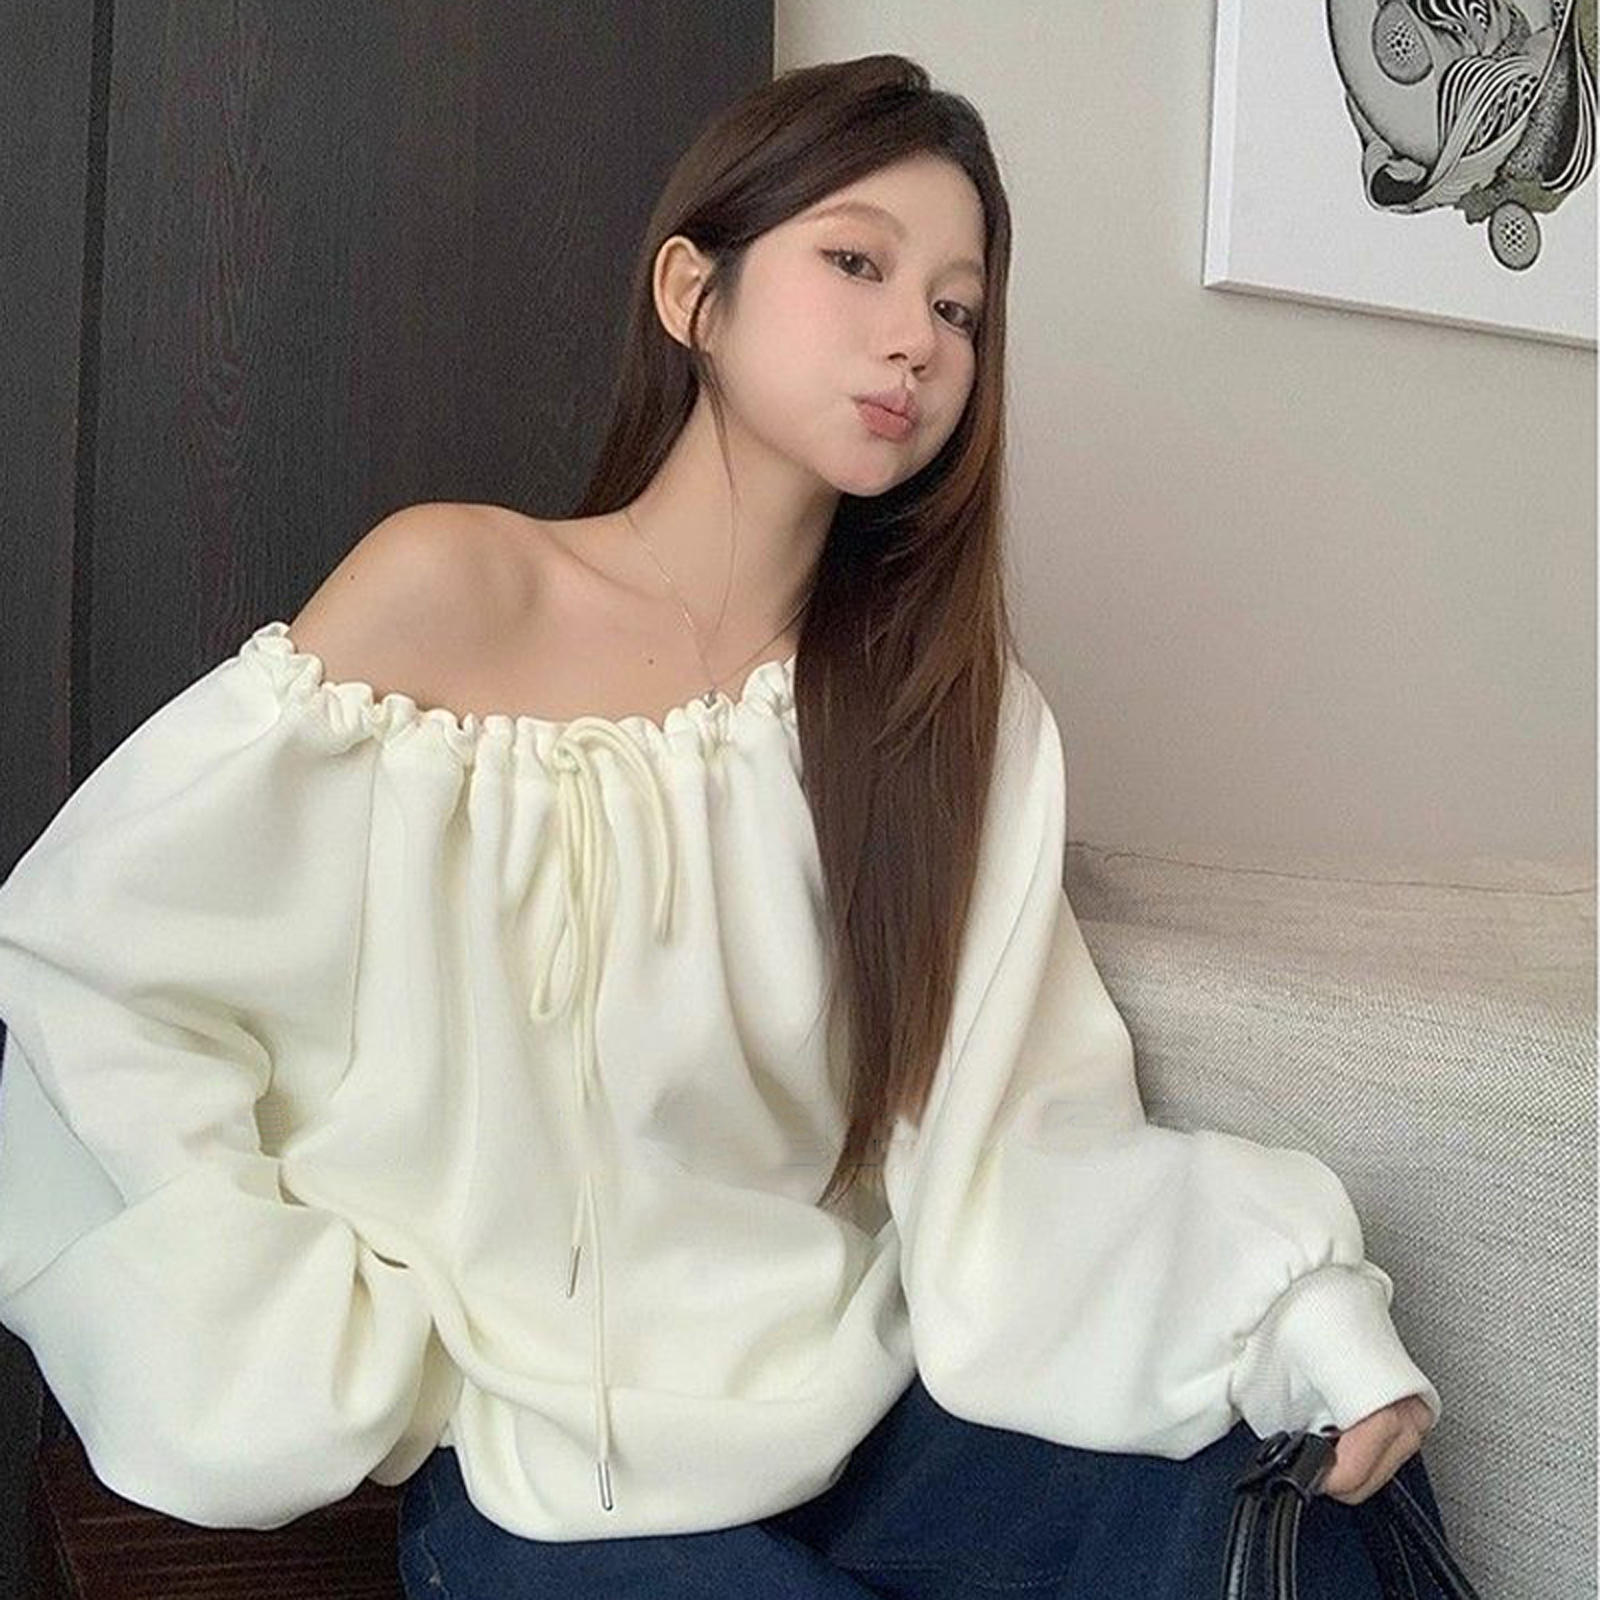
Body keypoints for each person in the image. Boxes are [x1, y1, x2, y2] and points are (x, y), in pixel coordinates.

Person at [0, 53, 1451, 1599]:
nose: (917, 339)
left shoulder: (949, 716)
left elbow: (1025, 1142)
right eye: (857, 264)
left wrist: (1298, 1320)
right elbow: (105, 973)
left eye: (959, 309)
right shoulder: (449, 595)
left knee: (1303, 1514)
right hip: (544, 1476)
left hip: (873, 1414)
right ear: (694, 292)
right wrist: (301, 1343)